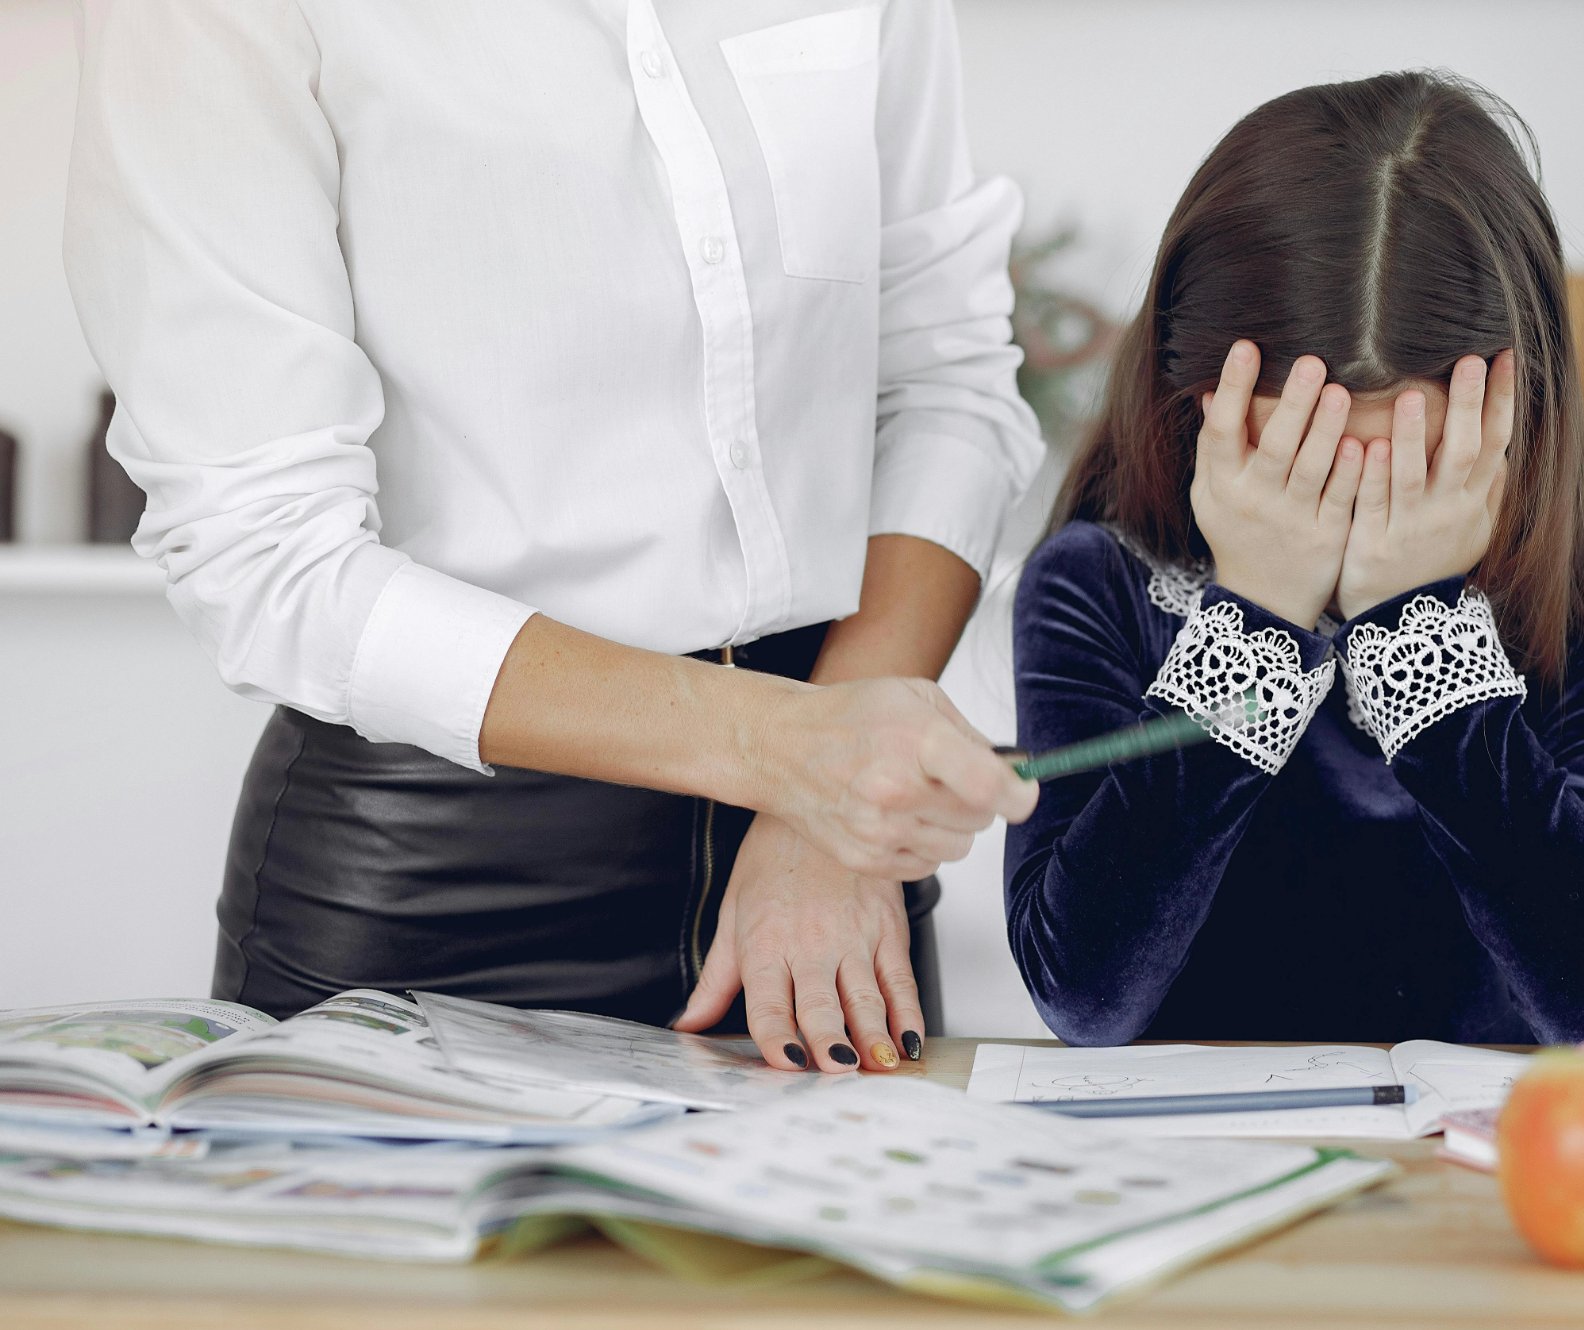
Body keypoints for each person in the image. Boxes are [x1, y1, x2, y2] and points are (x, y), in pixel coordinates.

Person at [63, 0, 1041, 1073]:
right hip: (444, 897)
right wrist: (793, 754)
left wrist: (824, 813)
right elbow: (270, 555)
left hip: (829, 887)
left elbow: (944, 380)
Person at [1005, 72, 1584, 1047]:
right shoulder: (1098, 584)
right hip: (1200, 1165)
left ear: (1512, 425)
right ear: (1197, 407)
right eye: (1298, 459)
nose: (1352, 514)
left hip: (1478, 1185)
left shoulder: (1565, 603)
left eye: (1410, 468)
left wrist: (1412, 623)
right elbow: (1083, 994)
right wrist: (1255, 609)